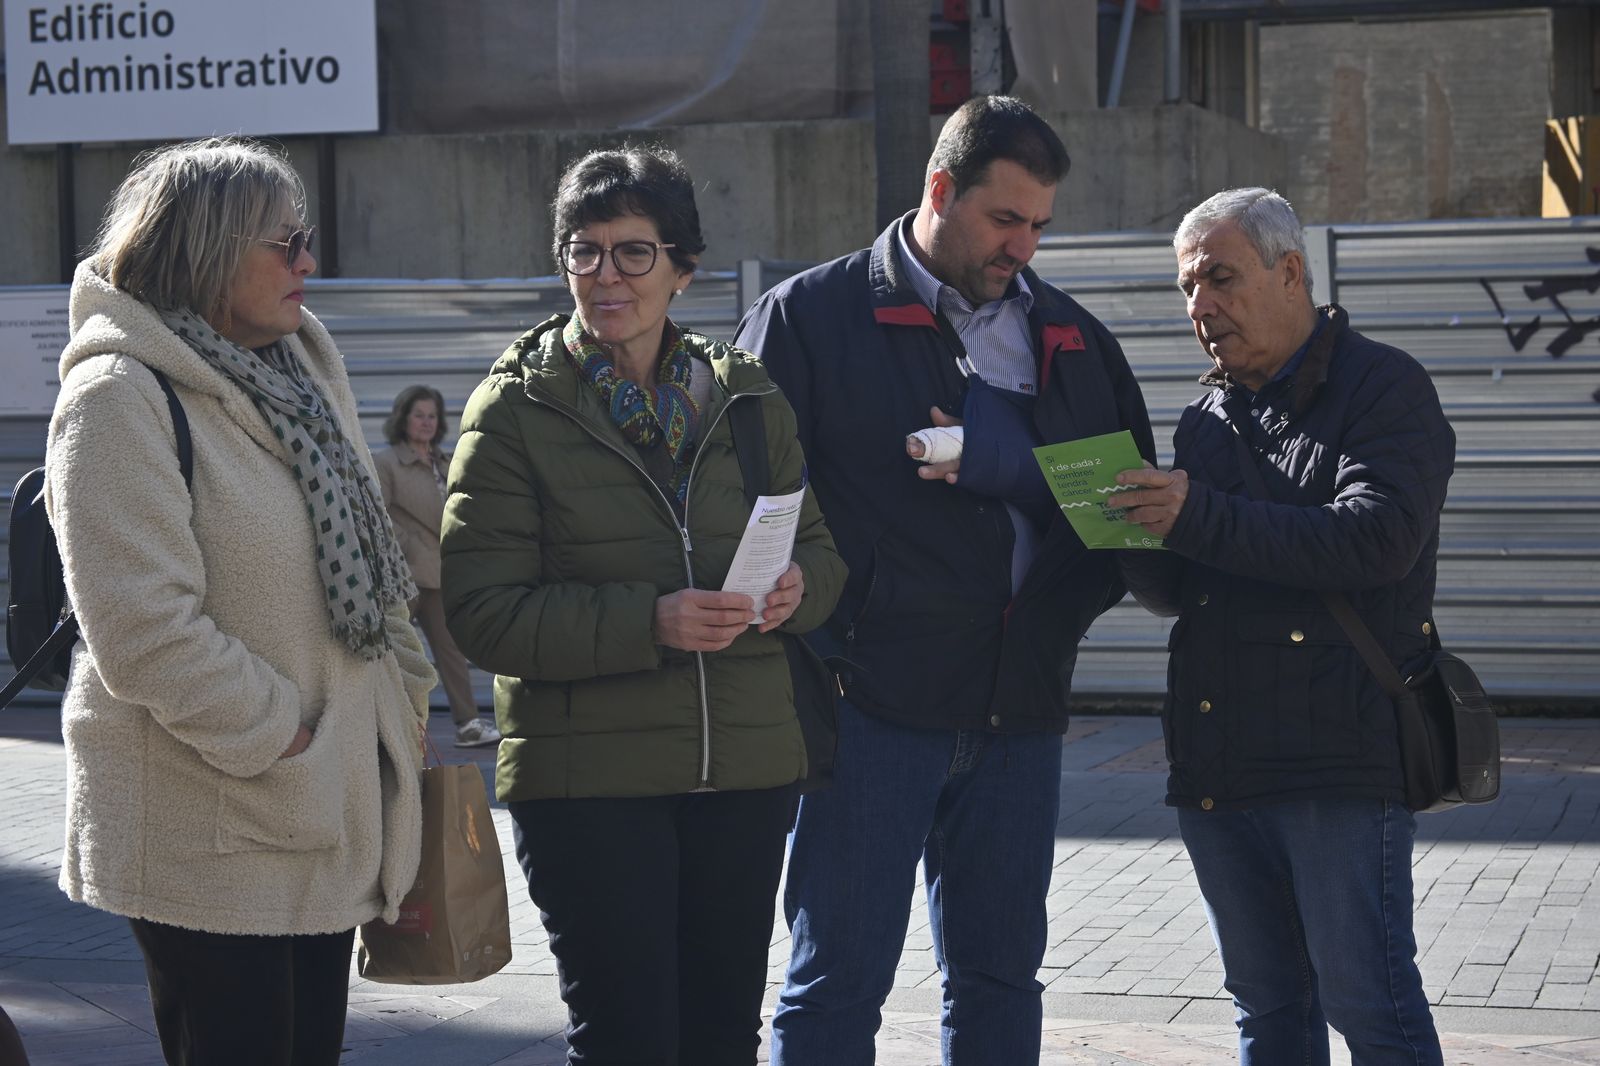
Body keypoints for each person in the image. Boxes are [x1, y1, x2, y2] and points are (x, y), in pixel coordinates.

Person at [734, 95, 1156, 1065]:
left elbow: (1122, 519)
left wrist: (1048, 622)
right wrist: (833, 642)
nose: (1024, 247)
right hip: (868, 712)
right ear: (938, 189)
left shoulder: (1075, 339)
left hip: (1020, 714)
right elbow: (744, 509)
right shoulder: (808, 316)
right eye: (1004, 219)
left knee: (1001, 979)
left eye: (1040, 225)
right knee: (836, 980)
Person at [440, 145, 845, 1066]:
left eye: (633, 252)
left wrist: (796, 591)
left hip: (742, 775)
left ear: (683, 267)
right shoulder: (514, 411)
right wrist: (650, 621)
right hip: (591, 787)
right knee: (628, 1042)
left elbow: (819, 551)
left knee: (718, 1042)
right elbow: (482, 612)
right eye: (584, 251)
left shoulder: (747, 398)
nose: (605, 275)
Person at [45, 138, 435, 1066]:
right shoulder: (117, 396)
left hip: (322, 812)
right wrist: (281, 735)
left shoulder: (300, 371)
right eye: (287, 242)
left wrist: (400, 698)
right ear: (210, 252)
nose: (310, 262)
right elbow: (142, 630)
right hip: (213, 823)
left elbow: (372, 560)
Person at [1115, 187, 1452, 1065]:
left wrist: (1191, 518)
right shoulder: (1208, 416)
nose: (1201, 306)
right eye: (1188, 289)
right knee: (1267, 1011)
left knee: (1369, 1005)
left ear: (1290, 271)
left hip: (1336, 764)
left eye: (1220, 279)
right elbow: (1189, 588)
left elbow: (1375, 540)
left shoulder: (1385, 387)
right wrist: (1124, 530)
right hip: (1220, 764)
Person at [374, 386, 502, 747]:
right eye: (419, 415)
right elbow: (376, 514)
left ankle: (469, 725)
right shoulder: (386, 463)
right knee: (386, 654)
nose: (427, 422)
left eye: (432, 415)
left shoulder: (445, 462)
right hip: (403, 576)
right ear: (403, 418)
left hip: (442, 574)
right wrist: (409, 544)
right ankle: (382, 725)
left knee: (452, 653)